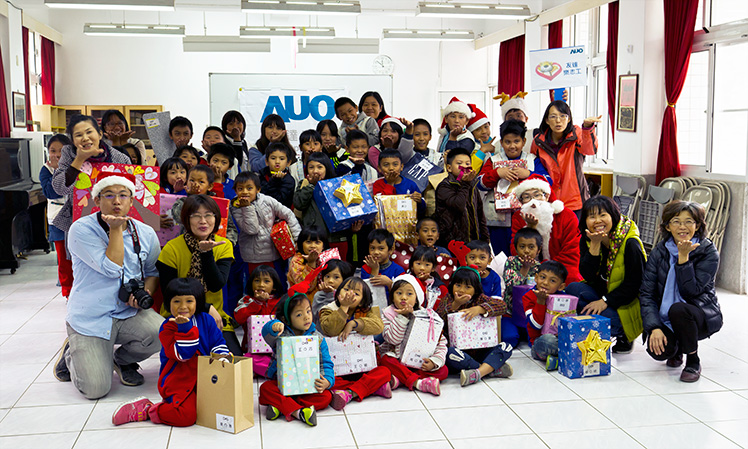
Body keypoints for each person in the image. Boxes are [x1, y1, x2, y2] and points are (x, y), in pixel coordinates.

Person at [53, 172, 163, 399]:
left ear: (131, 201)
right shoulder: (81, 229)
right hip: (91, 317)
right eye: (109, 195)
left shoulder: (145, 232)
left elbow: (152, 272)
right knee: (95, 389)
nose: (117, 201)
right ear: (97, 200)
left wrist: (146, 292)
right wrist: (115, 229)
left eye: (123, 195)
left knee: (162, 333)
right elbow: (112, 268)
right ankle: (71, 354)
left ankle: (121, 361)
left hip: (128, 312)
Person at [111, 278, 229, 426]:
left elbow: (218, 343)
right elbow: (184, 355)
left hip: (203, 378)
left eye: (189, 301)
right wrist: (185, 329)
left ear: (198, 302)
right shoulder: (167, 327)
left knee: (218, 407)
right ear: (169, 303)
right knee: (186, 416)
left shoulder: (206, 320)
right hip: (179, 381)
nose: (183, 307)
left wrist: (222, 358)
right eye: (177, 301)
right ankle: (148, 409)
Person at [639, 201, 722, 383]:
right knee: (659, 351)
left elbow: (691, 291)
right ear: (667, 226)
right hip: (666, 316)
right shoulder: (659, 251)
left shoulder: (707, 251)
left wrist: (683, 258)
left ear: (697, 226)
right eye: (676, 221)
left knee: (678, 309)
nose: (682, 227)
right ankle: (677, 348)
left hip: (698, 313)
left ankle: (693, 359)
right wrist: (654, 327)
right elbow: (647, 293)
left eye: (688, 222)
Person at [51, 115, 132, 287]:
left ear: (100, 134)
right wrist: (79, 160)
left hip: (114, 222)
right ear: (73, 140)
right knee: (83, 270)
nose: (85, 138)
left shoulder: (119, 158)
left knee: (115, 264)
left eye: (89, 132)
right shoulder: (68, 154)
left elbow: (131, 192)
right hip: (80, 222)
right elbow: (59, 188)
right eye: (78, 135)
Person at [157, 194, 240, 354]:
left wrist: (206, 253)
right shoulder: (171, 248)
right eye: (196, 216)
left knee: (232, 359)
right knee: (188, 358)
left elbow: (216, 285)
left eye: (208, 215)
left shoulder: (224, 245)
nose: (203, 221)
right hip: (179, 315)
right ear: (186, 219)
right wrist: (206, 308)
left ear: (216, 218)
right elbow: (170, 294)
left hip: (215, 317)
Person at [566, 196, 646, 354]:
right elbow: (588, 276)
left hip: (626, 304)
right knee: (573, 290)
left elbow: (635, 285)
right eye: (592, 216)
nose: (597, 221)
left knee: (602, 315)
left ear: (613, 216)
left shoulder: (630, 243)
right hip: (603, 293)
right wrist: (595, 245)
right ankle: (588, 333)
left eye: (603, 215)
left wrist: (605, 301)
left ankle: (623, 334)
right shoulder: (588, 239)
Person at [477, 119, 551, 258]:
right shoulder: (493, 161)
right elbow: (479, 184)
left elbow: (548, 182)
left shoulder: (532, 160)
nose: (512, 146)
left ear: (523, 141)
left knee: (525, 255)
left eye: (516, 141)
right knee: (500, 257)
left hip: (526, 219)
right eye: (507, 142)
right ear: (501, 142)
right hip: (497, 222)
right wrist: (497, 173)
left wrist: (528, 174)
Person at [260, 292, 336, 426]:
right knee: (265, 389)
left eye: (308, 311)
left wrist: (328, 381)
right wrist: (274, 326)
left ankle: (282, 407)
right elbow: (266, 333)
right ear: (286, 319)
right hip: (282, 385)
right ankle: (300, 412)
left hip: (308, 386)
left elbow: (326, 363)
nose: (306, 317)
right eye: (299, 315)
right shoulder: (280, 334)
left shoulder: (318, 338)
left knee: (326, 397)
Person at [318, 277, 392, 410]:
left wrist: (354, 323)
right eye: (346, 289)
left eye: (356, 293)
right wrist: (344, 307)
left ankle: (349, 393)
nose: (349, 294)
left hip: (362, 366)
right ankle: (371, 388)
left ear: (362, 301)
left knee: (385, 371)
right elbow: (330, 329)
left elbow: (379, 326)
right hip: (338, 368)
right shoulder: (327, 309)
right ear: (338, 292)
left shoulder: (366, 310)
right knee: (327, 380)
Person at [436, 266, 512, 386]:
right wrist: (455, 305)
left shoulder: (480, 299)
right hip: (460, 353)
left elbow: (502, 306)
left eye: (468, 287)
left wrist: (480, 309)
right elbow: (438, 319)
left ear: (475, 289)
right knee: (449, 354)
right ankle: (489, 369)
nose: (462, 290)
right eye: (458, 285)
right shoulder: (448, 298)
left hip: (481, 350)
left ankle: (477, 373)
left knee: (506, 347)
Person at [378, 274, 448, 396]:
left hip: (419, 362)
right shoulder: (387, 314)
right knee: (385, 360)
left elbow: (440, 342)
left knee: (444, 370)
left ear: (417, 298)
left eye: (409, 294)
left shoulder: (427, 316)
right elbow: (393, 339)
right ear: (392, 297)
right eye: (399, 293)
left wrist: (434, 361)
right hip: (397, 359)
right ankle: (418, 383)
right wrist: (402, 317)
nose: (404, 297)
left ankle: (401, 379)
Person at [230, 171, 301, 289]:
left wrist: (297, 238)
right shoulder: (236, 207)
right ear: (235, 191)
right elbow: (252, 229)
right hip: (253, 258)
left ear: (258, 189)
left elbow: (288, 214)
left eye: (249, 188)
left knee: (278, 287)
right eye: (240, 188)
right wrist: (246, 207)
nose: (245, 192)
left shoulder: (267, 200)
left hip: (274, 254)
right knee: (257, 288)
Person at [510, 175, 583, 285]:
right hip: (530, 268)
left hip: (561, 267)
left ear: (547, 196)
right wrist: (530, 229)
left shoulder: (567, 216)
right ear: (522, 201)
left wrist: (545, 269)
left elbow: (571, 253)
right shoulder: (519, 217)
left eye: (537, 195)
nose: (533, 201)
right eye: (527, 197)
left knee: (571, 279)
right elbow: (515, 250)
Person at [532, 100, 601, 214]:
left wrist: (587, 128)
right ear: (547, 120)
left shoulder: (576, 135)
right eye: (553, 116)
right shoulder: (538, 141)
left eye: (563, 116)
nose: (558, 120)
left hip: (575, 200)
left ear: (569, 119)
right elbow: (535, 169)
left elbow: (590, 150)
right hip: (548, 200)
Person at [40, 134, 74, 298]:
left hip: (76, 217)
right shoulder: (46, 170)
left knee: (78, 258)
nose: (57, 155)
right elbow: (51, 192)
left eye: (61, 150)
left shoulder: (76, 166)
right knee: (63, 259)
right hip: (58, 221)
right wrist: (57, 172)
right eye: (53, 151)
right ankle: (67, 292)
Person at [234, 265, 283, 373]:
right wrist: (257, 303)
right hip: (252, 350)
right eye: (257, 280)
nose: (261, 284)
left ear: (274, 286)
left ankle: (269, 371)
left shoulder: (281, 302)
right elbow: (239, 318)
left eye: (266, 281)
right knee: (248, 359)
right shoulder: (246, 300)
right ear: (251, 284)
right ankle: (270, 371)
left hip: (276, 349)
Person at [435, 147, 488, 245]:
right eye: (459, 163)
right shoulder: (444, 186)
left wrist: (486, 240)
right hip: (452, 243)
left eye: (467, 164)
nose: (464, 167)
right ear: (449, 168)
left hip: (473, 241)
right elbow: (458, 205)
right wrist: (465, 184)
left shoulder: (472, 184)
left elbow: (480, 214)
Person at [522, 260, 568, 370]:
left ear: (561, 286)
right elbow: (536, 325)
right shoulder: (528, 297)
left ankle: (557, 360)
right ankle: (568, 356)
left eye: (552, 281)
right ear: (536, 278)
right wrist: (541, 302)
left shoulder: (563, 297)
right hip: (540, 342)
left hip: (559, 339)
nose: (545, 283)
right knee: (548, 341)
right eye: (542, 277)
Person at [502, 227, 542, 341]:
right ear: (516, 248)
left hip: (530, 314)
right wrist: (525, 268)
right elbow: (511, 287)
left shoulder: (539, 268)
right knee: (510, 338)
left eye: (531, 247)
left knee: (535, 338)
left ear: (538, 250)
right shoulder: (511, 262)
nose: (526, 251)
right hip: (510, 313)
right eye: (522, 246)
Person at [372, 149, 424, 214]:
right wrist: (390, 184)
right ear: (379, 168)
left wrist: (419, 201)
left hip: (407, 218)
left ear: (401, 167)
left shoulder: (410, 184)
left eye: (395, 164)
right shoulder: (378, 184)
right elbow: (381, 205)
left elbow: (421, 210)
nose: (391, 168)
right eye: (386, 165)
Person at [287, 226, 328, 301]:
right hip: (304, 301)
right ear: (301, 244)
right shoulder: (296, 261)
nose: (313, 246)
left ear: (323, 246)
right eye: (308, 242)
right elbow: (307, 287)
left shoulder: (327, 257)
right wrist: (311, 263)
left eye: (317, 242)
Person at [312, 259, 354, 328]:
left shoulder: (347, 295)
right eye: (327, 276)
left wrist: (331, 294)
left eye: (336, 277)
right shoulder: (319, 295)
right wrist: (328, 294)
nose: (330, 281)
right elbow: (319, 318)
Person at [408, 246, 447, 310]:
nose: (422, 268)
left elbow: (446, 308)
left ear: (433, 268)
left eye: (427, 265)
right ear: (412, 266)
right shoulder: (406, 281)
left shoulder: (440, 288)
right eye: (418, 263)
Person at [259, 142, 296, 208]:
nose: (277, 162)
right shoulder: (261, 177)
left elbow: (278, 202)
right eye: (273, 158)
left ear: (288, 163)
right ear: (266, 162)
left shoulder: (289, 180)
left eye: (282, 159)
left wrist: (275, 181)